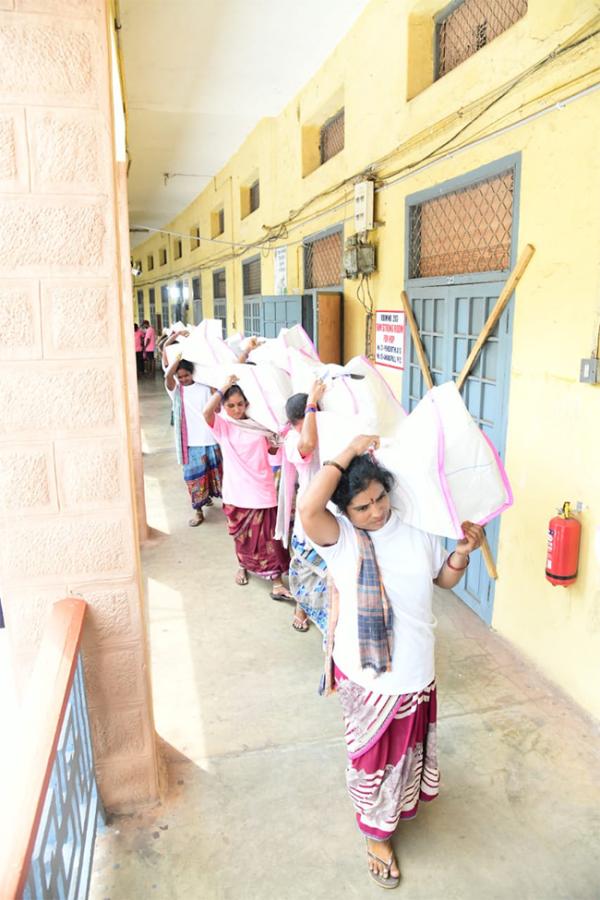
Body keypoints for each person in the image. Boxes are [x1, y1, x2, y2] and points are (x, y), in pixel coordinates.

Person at [299, 435, 483, 890]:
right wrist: (346, 453)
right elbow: (308, 509)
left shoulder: (415, 528)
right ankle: (376, 836)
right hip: (367, 677)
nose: (376, 512)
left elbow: (443, 580)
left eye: (380, 498)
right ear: (346, 512)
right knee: (374, 760)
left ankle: (393, 810)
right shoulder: (341, 540)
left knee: (405, 757)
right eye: (362, 507)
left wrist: (461, 553)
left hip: (417, 667)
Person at [203, 374, 292, 600]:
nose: (236, 409)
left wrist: (274, 443)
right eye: (230, 405)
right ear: (223, 406)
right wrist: (223, 388)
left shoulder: (259, 425)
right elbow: (206, 412)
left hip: (261, 488)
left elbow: (272, 452)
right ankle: (242, 565)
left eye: (240, 404)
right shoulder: (223, 426)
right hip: (236, 491)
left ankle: (276, 581)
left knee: (270, 538)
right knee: (241, 536)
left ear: (247, 404)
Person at [283, 379, 328, 633]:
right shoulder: (293, 439)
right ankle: (300, 606)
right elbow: (307, 444)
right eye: (308, 417)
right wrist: (311, 402)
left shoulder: (327, 430)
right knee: (304, 565)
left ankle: (321, 613)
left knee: (327, 570)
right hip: (309, 511)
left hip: (331, 510)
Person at [164, 353, 223, 526]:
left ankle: (210, 500)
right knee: (193, 478)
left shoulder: (205, 387)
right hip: (190, 444)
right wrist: (177, 357)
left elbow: (218, 407)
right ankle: (198, 511)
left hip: (211, 439)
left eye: (186, 375)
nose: (183, 379)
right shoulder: (176, 390)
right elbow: (168, 375)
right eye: (180, 376)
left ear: (193, 373)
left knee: (216, 474)